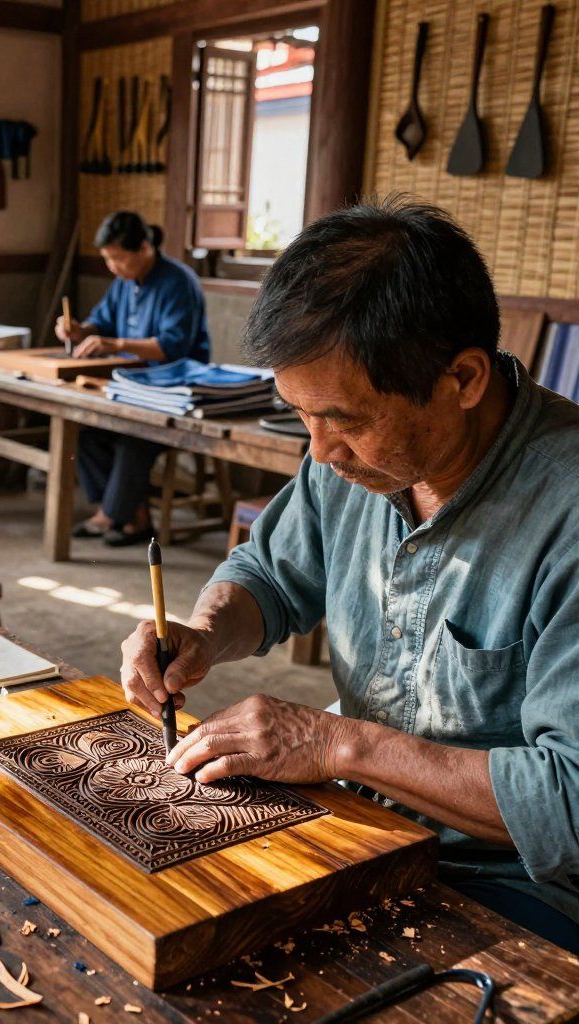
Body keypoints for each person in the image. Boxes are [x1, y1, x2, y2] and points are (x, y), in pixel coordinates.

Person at [119, 196, 579, 953]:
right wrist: (201, 631)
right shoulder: (349, 458)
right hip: (360, 819)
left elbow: (566, 803)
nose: (321, 450)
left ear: (462, 377)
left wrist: (335, 744)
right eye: (303, 415)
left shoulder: (566, 511)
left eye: (347, 419)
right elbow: (269, 571)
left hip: (512, 879)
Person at [55, 211, 210, 547]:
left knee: (133, 435)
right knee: (86, 429)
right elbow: (102, 322)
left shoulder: (178, 282)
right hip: (131, 385)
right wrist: (81, 330)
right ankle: (130, 516)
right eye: (108, 259)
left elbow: (172, 346)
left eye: (118, 258)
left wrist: (115, 343)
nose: (113, 267)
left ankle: (113, 516)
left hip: (175, 389)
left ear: (143, 248)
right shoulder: (124, 282)